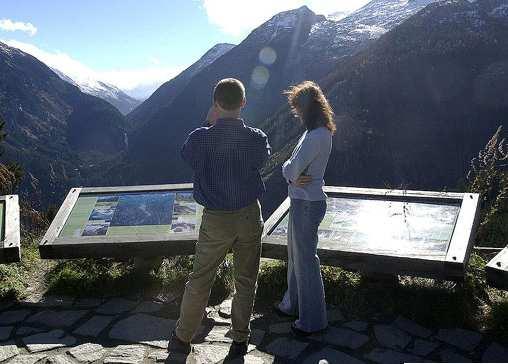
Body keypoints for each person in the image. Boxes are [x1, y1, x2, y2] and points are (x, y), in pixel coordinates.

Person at [168, 78, 271, 358]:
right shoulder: (257, 138)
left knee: (201, 278)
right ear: (243, 103)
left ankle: (182, 338)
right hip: (249, 214)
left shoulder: (199, 138)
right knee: (246, 279)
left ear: (215, 103)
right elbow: (262, 159)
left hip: (215, 219)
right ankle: (240, 339)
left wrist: (210, 123)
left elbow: (187, 156)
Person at [274, 80, 335, 336]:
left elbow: (292, 167)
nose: (295, 112)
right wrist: (290, 172)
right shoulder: (315, 132)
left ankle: (312, 321)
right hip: (302, 201)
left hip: (306, 204)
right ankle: (292, 304)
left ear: (307, 107)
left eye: (297, 107)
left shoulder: (315, 136)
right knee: (297, 256)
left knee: (306, 261)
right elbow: (291, 168)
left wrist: (288, 171)